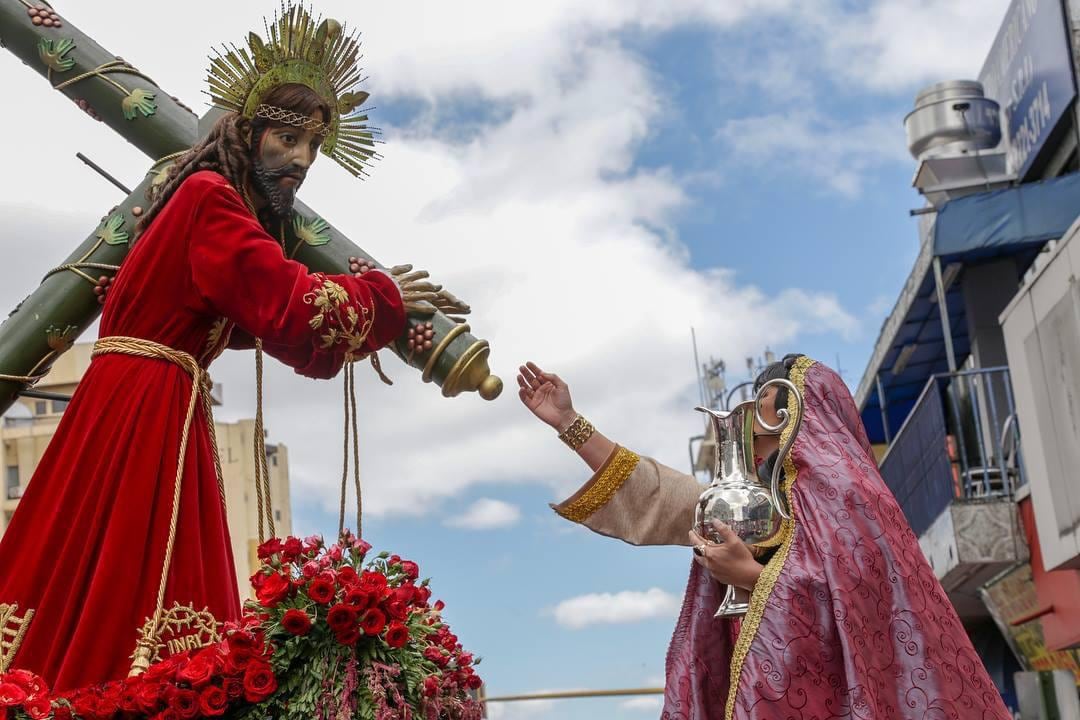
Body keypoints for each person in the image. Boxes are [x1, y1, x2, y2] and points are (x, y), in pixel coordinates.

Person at [0, 7, 447, 692]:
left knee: (98, 570)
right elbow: (285, 304)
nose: (299, 161)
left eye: (313, 149)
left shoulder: (197, 203)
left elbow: (252, 317)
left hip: (137, 400)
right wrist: (380, 297)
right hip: (142, 411)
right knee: (130, 583)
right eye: (287, 137)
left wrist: (363, 320)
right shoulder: (210, 198)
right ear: (248, 131)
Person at [518, 356, 1012, 719]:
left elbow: (862, 612)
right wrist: (568, 422)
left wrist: (753, 577)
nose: (758, 434)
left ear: (806, 418)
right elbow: (658, 494)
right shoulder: (752, 501)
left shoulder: (857, 504)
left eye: (771, 418)